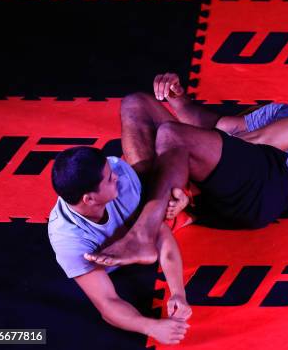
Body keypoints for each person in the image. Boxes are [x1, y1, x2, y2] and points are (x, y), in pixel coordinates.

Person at [84, 56, 288, 268]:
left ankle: (143, 233)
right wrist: (178, 98)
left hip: (267, 185)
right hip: (235, 163)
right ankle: (153, 196)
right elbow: (219, 126)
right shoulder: (285, 110)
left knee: (172, 135)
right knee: (137, 102)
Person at [48, 147, 192, 345]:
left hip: (148, 218)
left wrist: (178, 293)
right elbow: (107, 302)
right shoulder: (68, 238)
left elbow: (161, 234)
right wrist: (150, 326)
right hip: (116, 260)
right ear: (89, 199)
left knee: (175, 148)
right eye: (108, 179)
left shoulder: (120, 173)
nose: (115, 176)